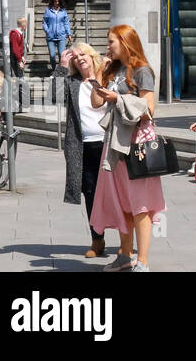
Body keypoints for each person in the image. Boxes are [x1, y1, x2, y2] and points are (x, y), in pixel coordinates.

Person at [90, 24, 166, 272]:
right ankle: (125, 255)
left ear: (124, 42)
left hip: (137, 142)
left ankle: (142, 260)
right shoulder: (114, 69)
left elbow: (150, 109)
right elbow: (96, 102)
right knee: (122, 200)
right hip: (114, 143)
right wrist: (101, 72)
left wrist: (118, 99)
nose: (107, 46)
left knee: (140, 203)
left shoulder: (142, 71)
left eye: (111, 42)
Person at [53, 43, 114, 258]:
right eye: (75, 56)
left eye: (83, 54)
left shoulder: (107, 75)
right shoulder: (72, 82)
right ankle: (97, 239)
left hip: (110, 144)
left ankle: (127, 241)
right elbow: (57, 97)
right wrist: (61, 66)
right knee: (91, 193)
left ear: (92, 55)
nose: (79, 58)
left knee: (118, 192)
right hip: (83, 145)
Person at [43, 0, 72, 66]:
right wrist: (47, 31)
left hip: (61, 35)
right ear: (53, 1)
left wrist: (69, 34)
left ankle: (60, 71)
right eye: (55, 1)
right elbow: (44, 22)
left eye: (58, 1)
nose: (57, 3)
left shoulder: (63, 11)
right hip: (51, 36)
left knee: (61, 55)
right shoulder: (48, 11)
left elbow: (66, 23)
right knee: (52, 55)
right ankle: (53, 69)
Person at [9, 17, 27, 111]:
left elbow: (19, 48)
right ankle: (17, 103)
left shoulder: (20, 33)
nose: (26, 26)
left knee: (20, 81)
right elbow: (15, 49)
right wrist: (20, 60)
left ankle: (20, 103)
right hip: (15, 60)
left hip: (17, 59)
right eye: (25, 25)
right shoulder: (15, 34)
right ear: (22, 25)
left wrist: (22, 56)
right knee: (16, 81)